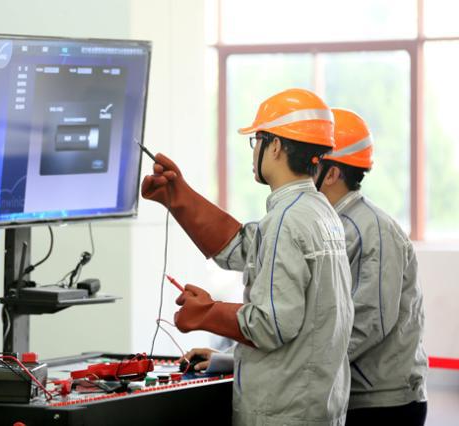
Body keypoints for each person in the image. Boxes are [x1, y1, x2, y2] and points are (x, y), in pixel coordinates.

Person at [142, 88, 354, 425]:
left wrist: (207, 313)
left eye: (257, 140)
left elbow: (272, 325)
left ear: (275, 146)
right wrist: (179, 196)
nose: (254, 150)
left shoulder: (285, 221)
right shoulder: (319, 213)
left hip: (282, 410)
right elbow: (242, 247)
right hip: (315, 404)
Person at [315, 108, 428, 425]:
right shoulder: (333, 225)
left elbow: (369, 322)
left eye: (310, 162)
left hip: (382, 404)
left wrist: (300, 367)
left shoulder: (371, 230)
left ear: (332, 173)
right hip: (352, 397)